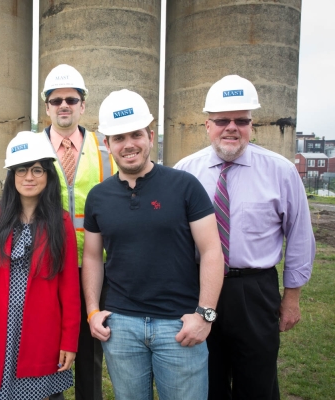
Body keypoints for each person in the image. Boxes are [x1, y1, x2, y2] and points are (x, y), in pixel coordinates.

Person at [174, 74, 315, 400]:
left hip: (254, 291)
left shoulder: (280, 171)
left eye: (241, 120)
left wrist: (291, 298)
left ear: (253, 126)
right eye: (222, 120)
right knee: (206, 381)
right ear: (207, 126)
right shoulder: (185, 172)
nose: (231, 127)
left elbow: (299, 237)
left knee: (257, 381)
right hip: (198, 289)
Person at [82, 89, 224, 400]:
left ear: (150, 134)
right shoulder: (98, 197)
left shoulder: (185, 186)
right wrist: (93, 311)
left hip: (179, 326)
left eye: (136, 134)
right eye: (118, 138)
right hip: (121, 328)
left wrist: (205, 315)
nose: (128, 144)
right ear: (107, 145)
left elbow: (213, 251)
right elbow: (92, 257)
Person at [0, 131, 81, 400]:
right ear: (12, 175)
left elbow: (70, 290)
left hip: (42, 334)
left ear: (49, 175)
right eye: (22, 170)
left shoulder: (60, 224)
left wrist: (69, 340)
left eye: (37, 170)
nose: (29, 177)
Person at [37, 64, 115, 400]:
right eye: (56, 100)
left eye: (71, 99)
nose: (64, 105)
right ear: (47, 107)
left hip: (97, 266)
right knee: (47, 345)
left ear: (83, 105)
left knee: (89, 349)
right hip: (47, 266)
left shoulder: (104, 146)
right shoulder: (31, 146)